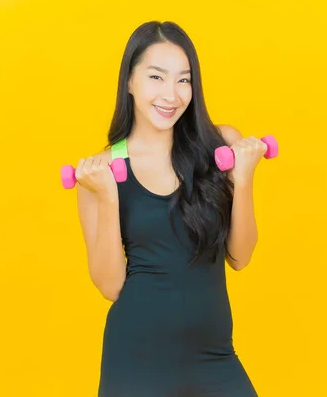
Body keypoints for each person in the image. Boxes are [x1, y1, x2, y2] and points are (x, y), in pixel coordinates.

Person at [75, 21, 267, 397]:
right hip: (135, 363)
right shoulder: (99, 172)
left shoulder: (221, 146)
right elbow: (109, 286)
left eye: (183, 80)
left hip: (214, 358)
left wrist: (243, 180)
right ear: (129, 82)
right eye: (156, 77)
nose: (171, 94)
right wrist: (108, 196)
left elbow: (240, 256)